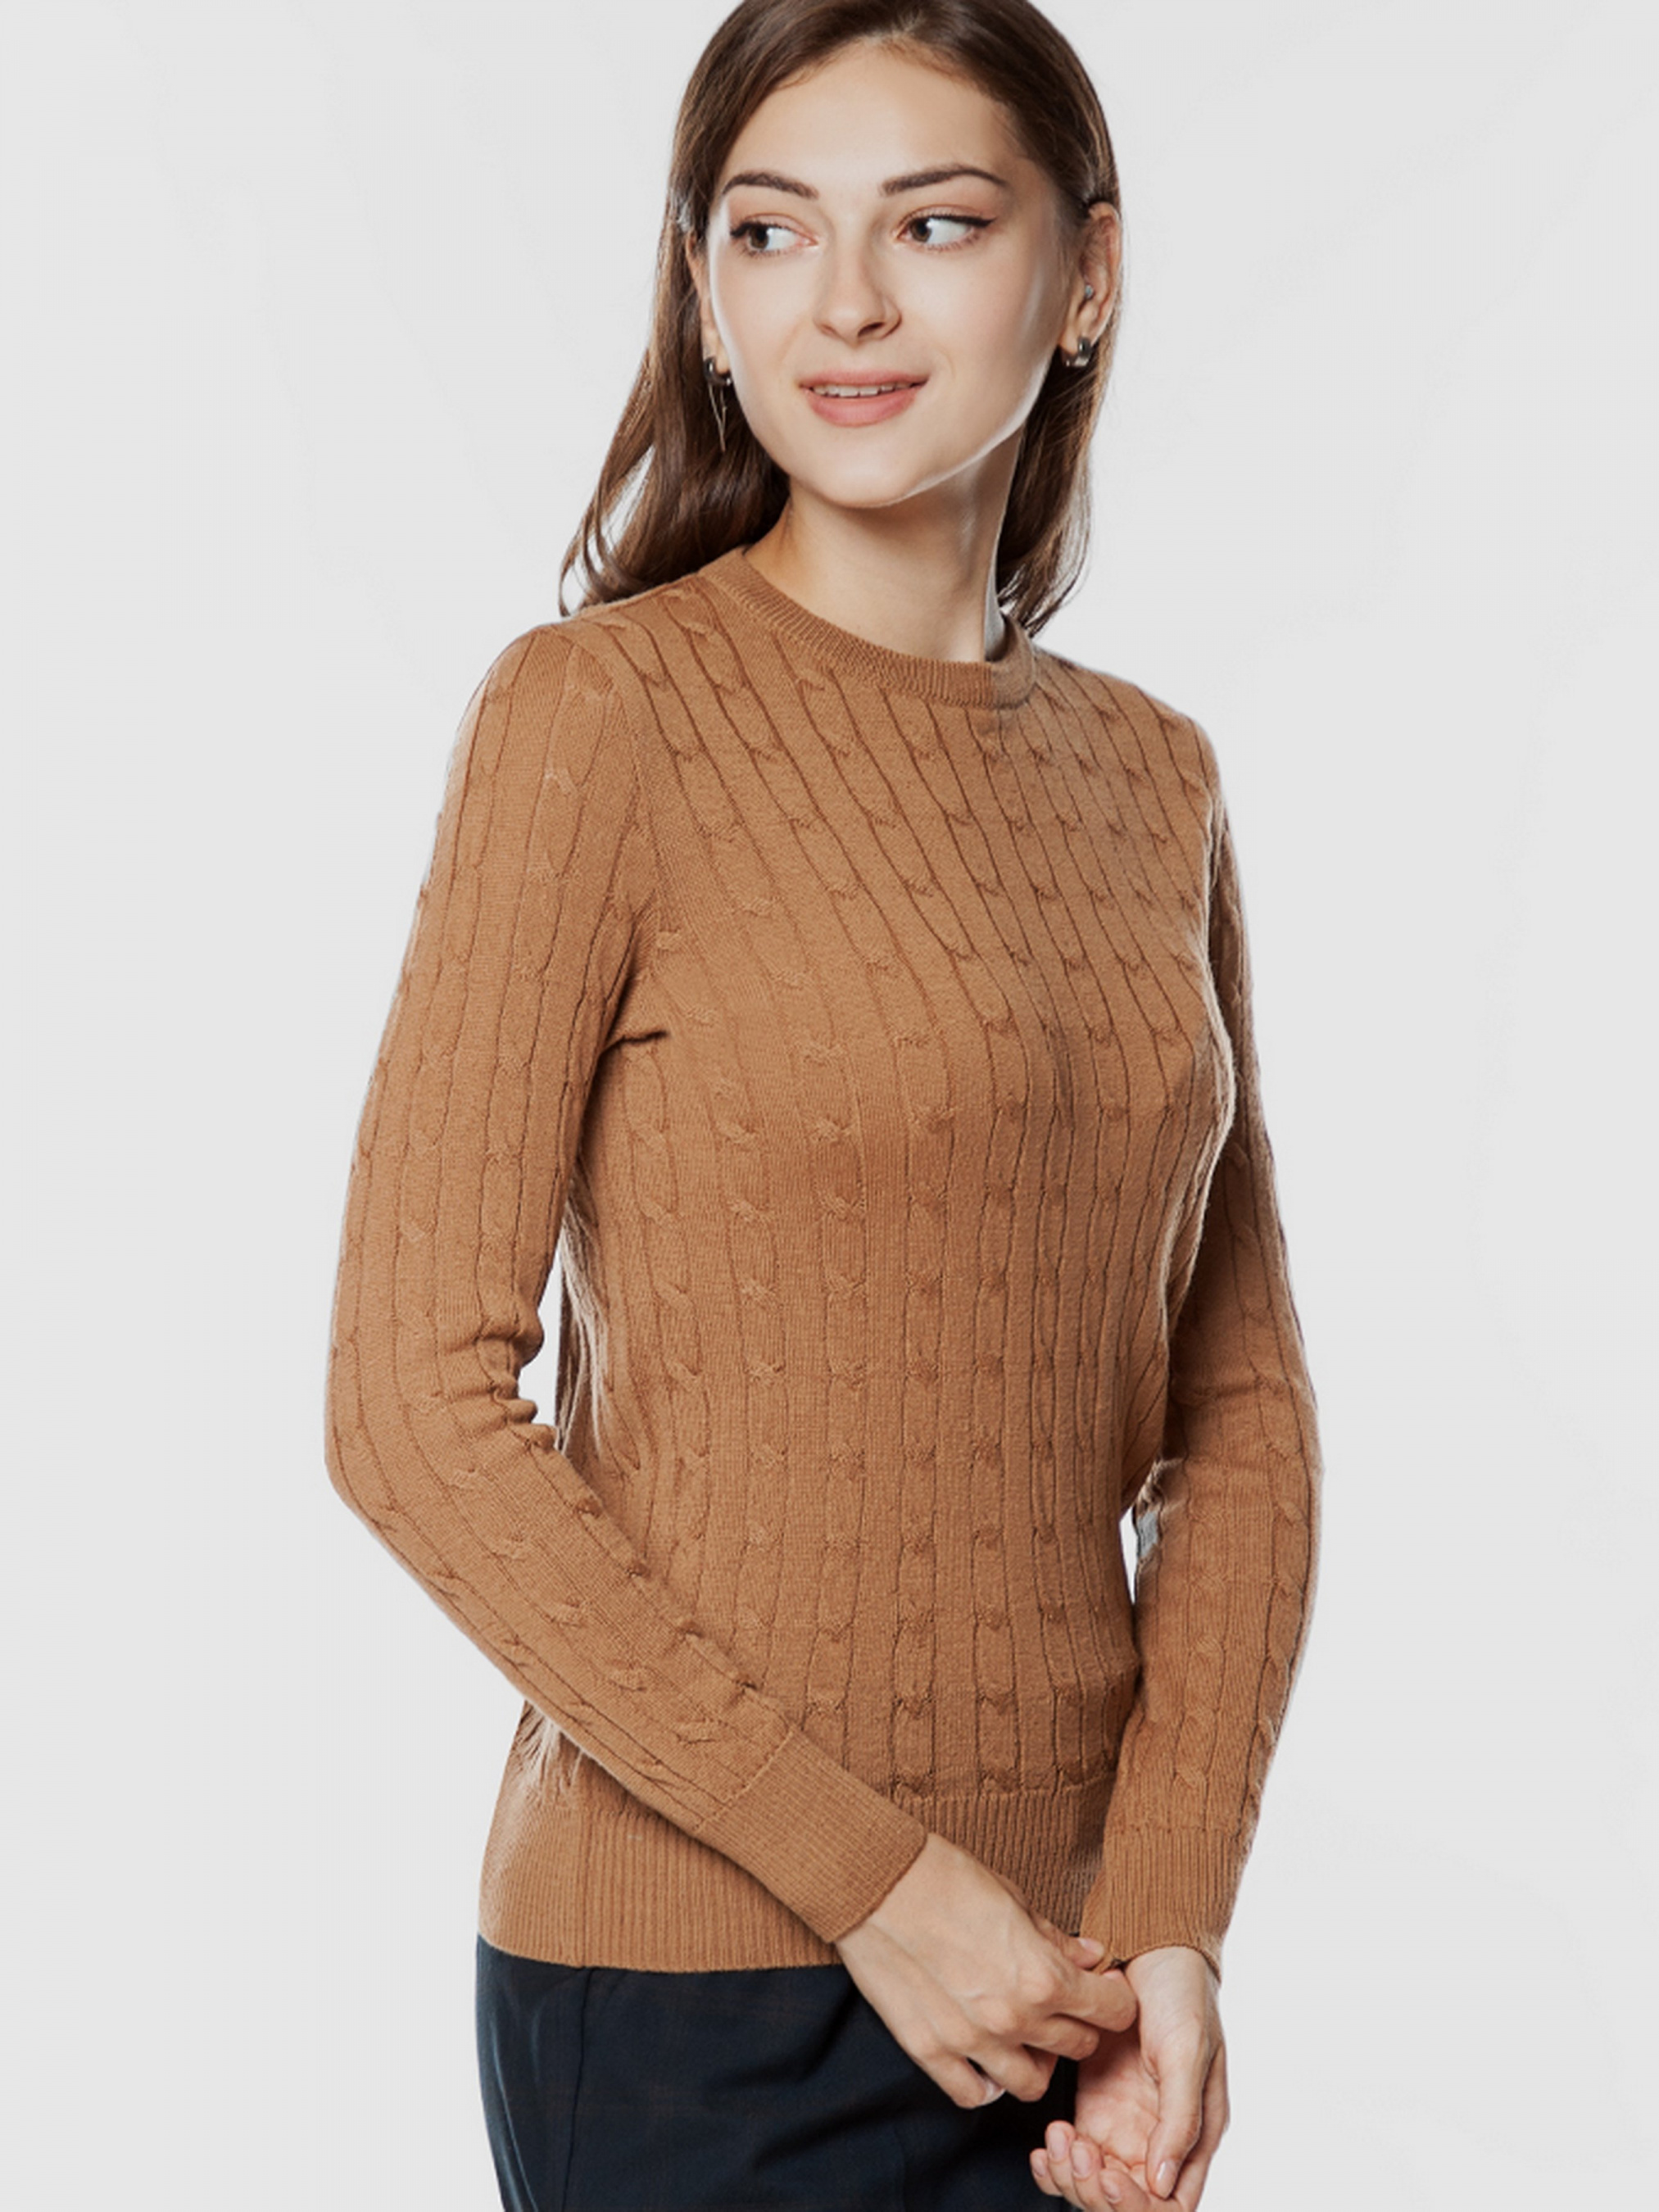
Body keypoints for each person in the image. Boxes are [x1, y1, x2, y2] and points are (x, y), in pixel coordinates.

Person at [322, 2, 1324, 2206]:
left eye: (934, 224)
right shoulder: (597, 720)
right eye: (769, 232)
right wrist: (875, 1881)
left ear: (1085, 275)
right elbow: (408, 1406)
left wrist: (1169, 1915)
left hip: (1066, 1991)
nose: (844, 302)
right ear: (704, 294)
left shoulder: (1151, 776)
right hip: (700, 2003)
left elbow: (1238, 1409)